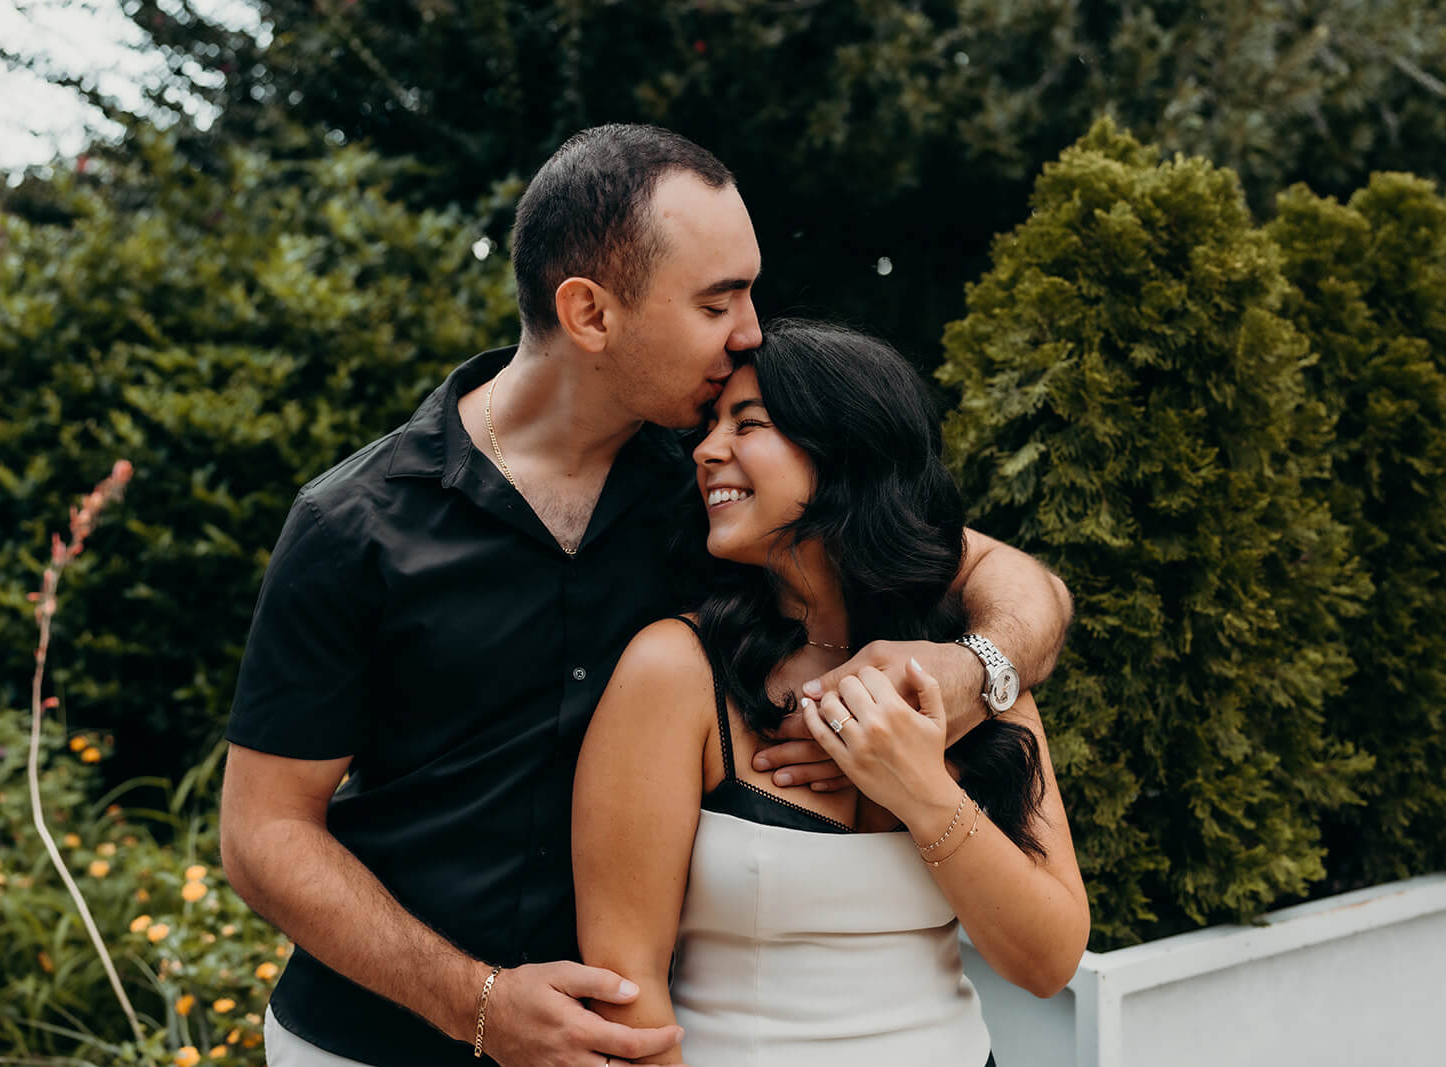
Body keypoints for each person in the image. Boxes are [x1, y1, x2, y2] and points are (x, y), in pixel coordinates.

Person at [220, 125, 1074, 1067]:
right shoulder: (356, 524)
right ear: (589, 313)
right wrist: (479, 1002)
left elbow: (1011, 579)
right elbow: (264, 834)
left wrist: (970, 670)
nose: (751, 330)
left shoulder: (713, 491)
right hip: (383, 1040)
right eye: (719, 301)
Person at [572, 319, 1090, 1065]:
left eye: (748, 424)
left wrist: (918, 789)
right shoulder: (676, 671)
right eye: (712, 426)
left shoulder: (967, 674)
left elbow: (1048, 962)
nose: (707, 450)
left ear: (845, 453)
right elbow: (627, 990)